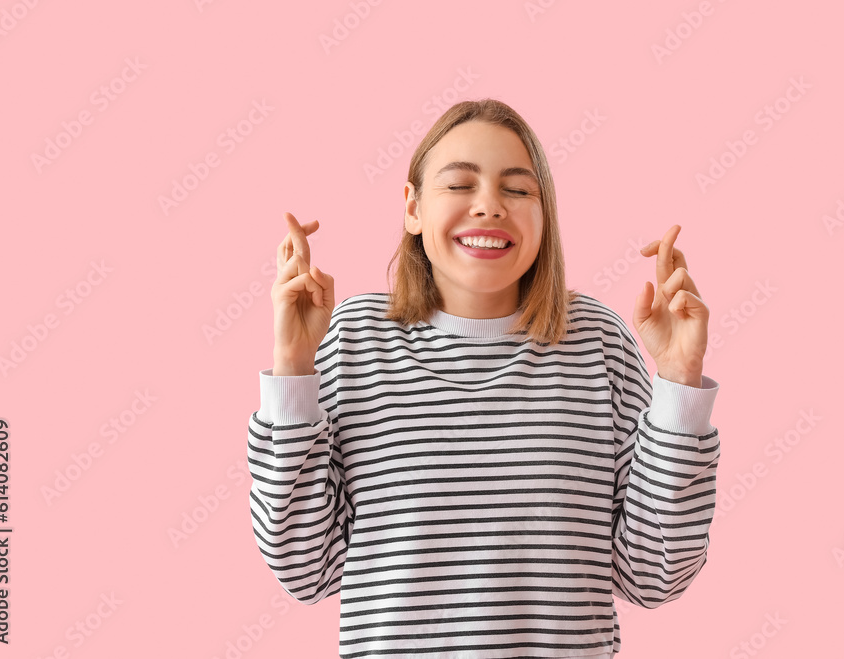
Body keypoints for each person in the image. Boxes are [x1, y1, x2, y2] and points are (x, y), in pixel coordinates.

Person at [246, 98, 720, 659]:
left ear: (544, 217)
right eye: (460, 185)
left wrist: (679, 380)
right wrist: (293, 366)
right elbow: (305, 570)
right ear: (412, 207)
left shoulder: (599, 340)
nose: (490, 207)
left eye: (518, 190)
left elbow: (653, 575)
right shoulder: (353, 338)